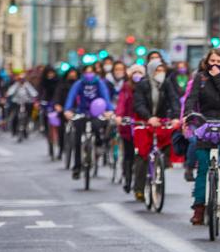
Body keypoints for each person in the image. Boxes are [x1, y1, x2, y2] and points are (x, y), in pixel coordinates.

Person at [184, 48, 220, 225]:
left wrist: (218, 79)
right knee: (202, 167)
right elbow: (191, 99)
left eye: (219, 61)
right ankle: (199, 208)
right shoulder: (199, 78)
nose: (214, 65)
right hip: (205, 123)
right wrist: (188, 115)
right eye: (212, 61)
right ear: (206, 62)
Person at [132, 60, 180, 200]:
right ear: (151, 71)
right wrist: (149, 117)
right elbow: (139, 104)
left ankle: (159, 168)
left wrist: (176, 117)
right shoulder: (142, 84)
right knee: (143, 153)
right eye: (157, 71)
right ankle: (139, 188)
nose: (160, 73)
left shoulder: (166, 84)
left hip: (161, 121)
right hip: (145, 121)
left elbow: (174, 100)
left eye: (162, 70)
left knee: (169, 142)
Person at [63, 63, 113, 179]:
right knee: (77, 138)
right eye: (86, 72)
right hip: (82, 112)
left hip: (97, 113)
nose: (89, 74)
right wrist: (67, 110)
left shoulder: (99, 83)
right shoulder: (79, 84)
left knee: (97, 127)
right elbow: (71, 97)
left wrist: (109, 110)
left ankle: (98, 145)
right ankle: (77, 167)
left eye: (91, 72)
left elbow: (106, 98)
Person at [114, 64, 145, 193]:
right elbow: (121, 102)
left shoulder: (145, 86)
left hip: (142, 123)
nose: (137, 74)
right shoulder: (126, 87)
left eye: (140, 72)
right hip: (128, 125)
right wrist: (119, 116)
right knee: (129, 155)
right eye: (135, 72)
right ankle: (127, 178)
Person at [5, 71, 38, 136]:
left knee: (28, 116)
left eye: (23, 79)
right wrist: (8, 94)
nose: (21, 81)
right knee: (14, 117)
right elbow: (10, 91)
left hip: (26, 103)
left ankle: (25, 130)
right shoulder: (16, 85)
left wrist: (34, 96)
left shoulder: (27, 85)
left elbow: (33, 92)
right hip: (17, 103)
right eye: (20, 79)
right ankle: (14, 131)